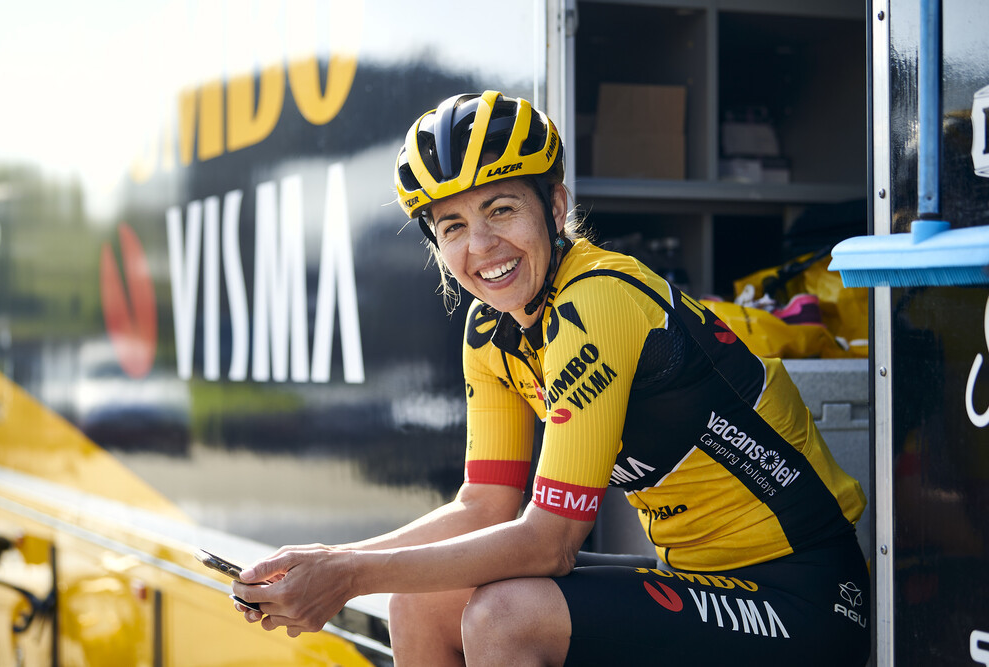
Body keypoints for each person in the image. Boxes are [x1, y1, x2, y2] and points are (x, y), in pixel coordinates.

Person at [233, 91, 871, 666]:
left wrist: (344, 576)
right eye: (452, 227)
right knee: (416, 604)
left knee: (506, 618)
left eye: (501, 209)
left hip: (805, 595)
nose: (482, 245)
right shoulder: (493, 330)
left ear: (556, 206)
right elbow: (483, 506)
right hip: (700, 581)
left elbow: (551, 544)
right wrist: (326, 562)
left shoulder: (599, 299)